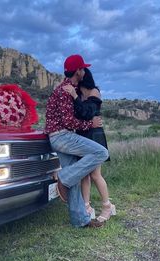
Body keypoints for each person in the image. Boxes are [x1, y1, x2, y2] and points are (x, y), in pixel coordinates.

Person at [44, 54, 109, 228]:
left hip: (59, 136)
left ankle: (81, 220)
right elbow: (68, 122)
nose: (84, 71)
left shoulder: (68, 89)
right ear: (78, 71)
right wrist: (91, 123)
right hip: (62, 135)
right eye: (82, 68)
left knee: (74, 176)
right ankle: (63, 178)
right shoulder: (66, 90)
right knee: (101, 152)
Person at [63, 68, 116, 222]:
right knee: (84, 173)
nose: (74, 79)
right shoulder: (77, 92)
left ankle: (107, 206)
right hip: (82, 133)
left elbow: (87, 112)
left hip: (94, 135)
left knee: (95, 174)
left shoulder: (94, 92)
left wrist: (74, 96)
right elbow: (77, 115)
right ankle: (87, 206)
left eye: (76, 76)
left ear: (83, 76)